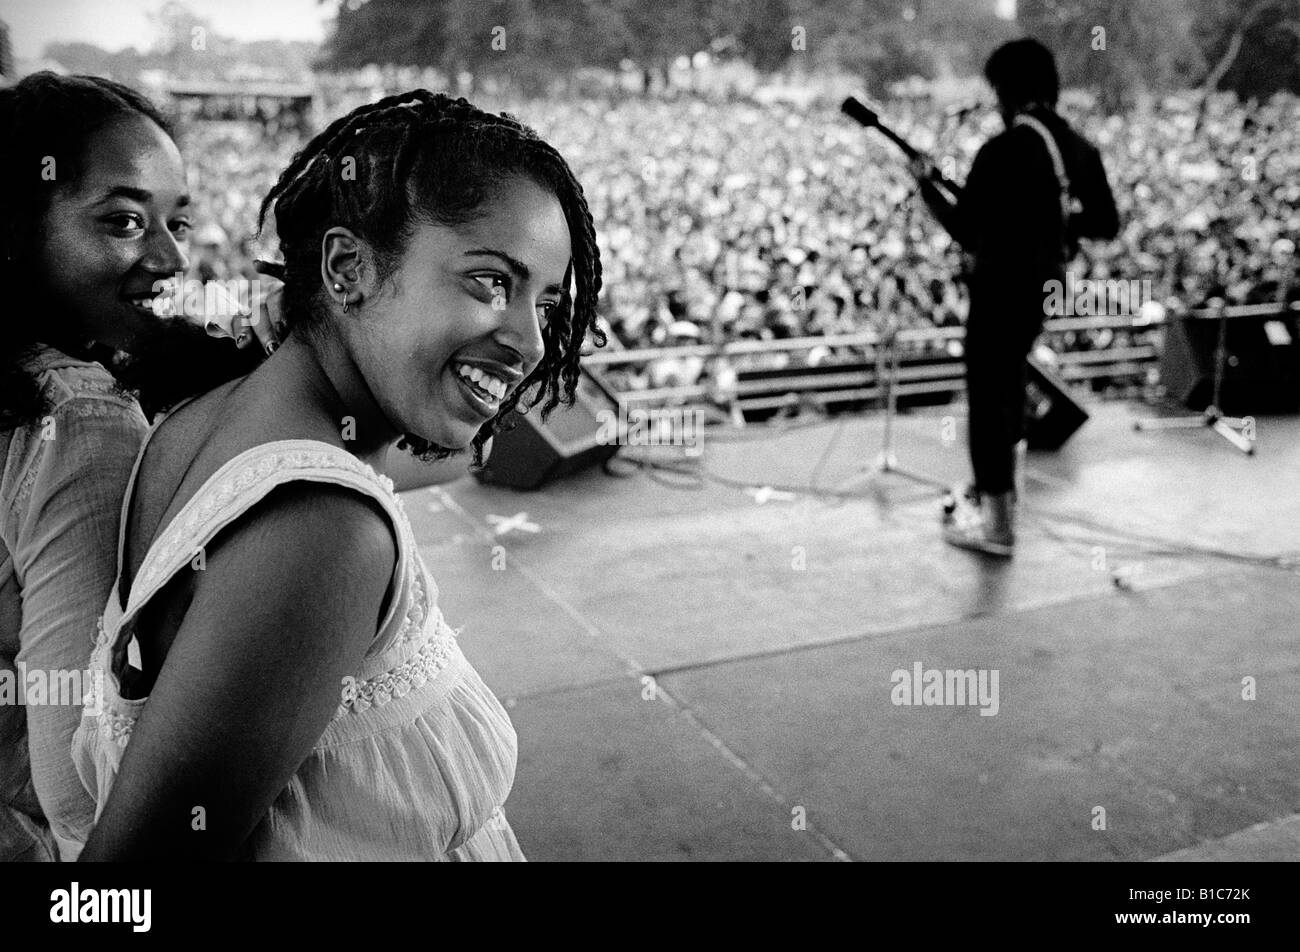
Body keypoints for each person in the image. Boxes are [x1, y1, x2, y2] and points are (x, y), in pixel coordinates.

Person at [74, 90, 604, 861]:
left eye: (547, 303)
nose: (528, 339)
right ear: (348, 267)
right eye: (491, 282)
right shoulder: (325, 531)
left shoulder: (217, 415)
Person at [0, 72, 282, 861]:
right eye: (124, 221)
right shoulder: (83, 425)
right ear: (19, 225)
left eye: (177, 223)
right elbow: (83, 791)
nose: (168, 256)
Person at [909, 38, 1119, 556]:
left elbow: (965, 227)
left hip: (1002, 288)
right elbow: (1105, 223)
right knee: (1009, 389)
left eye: (996, 91)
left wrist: (926, 188)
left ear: (1008, 89)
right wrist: (1052, 217)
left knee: (990, 399)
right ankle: (1003, 499)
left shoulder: (1004, 149)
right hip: (1044, 289)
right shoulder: (1077, 147)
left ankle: (998, 526)